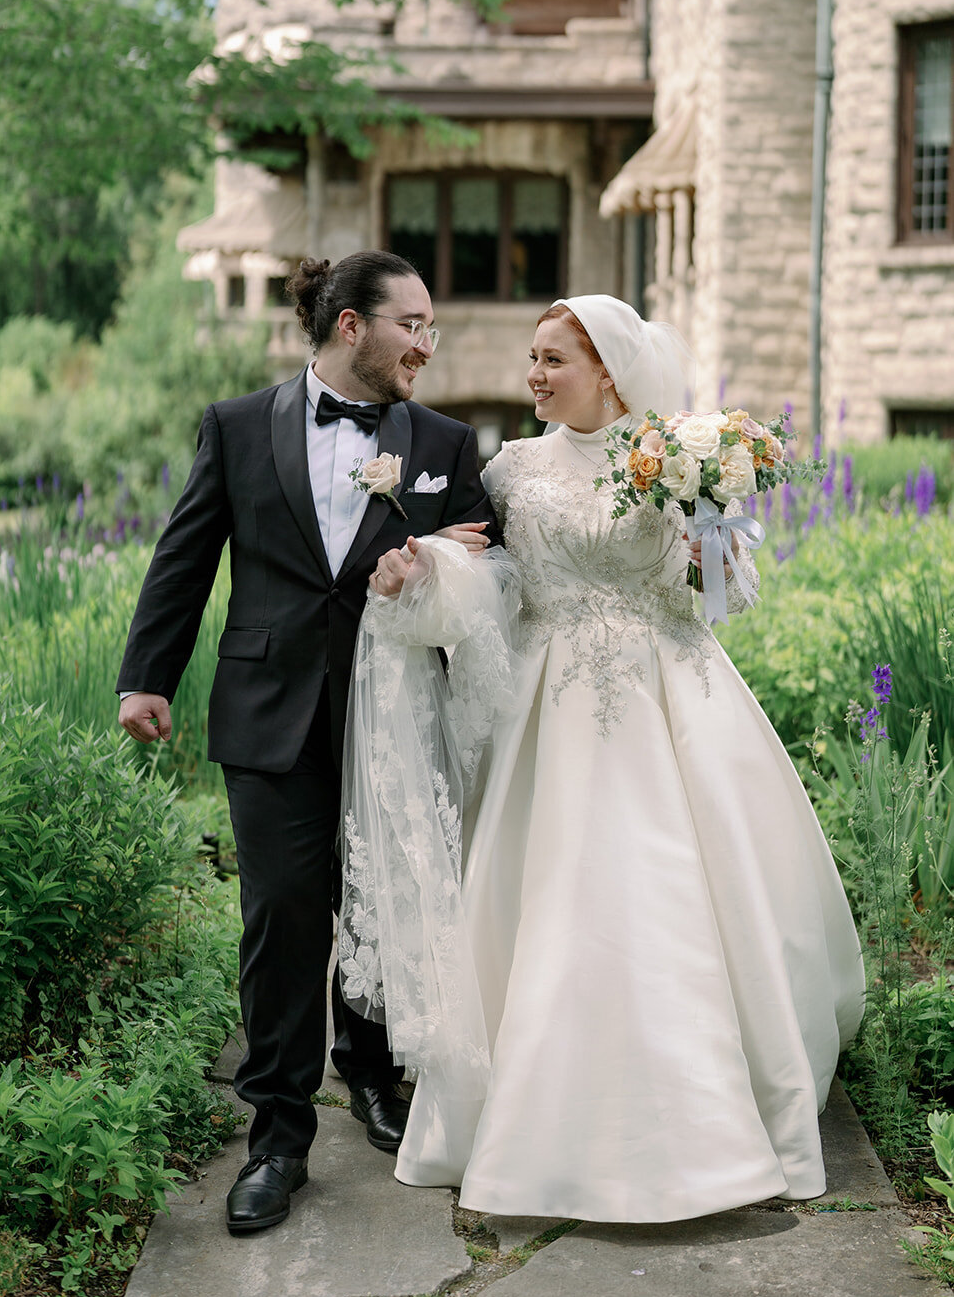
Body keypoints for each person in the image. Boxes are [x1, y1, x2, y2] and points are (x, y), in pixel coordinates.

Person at [342, 293, 865, 1225]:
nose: (534, 375)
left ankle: (704, 1120)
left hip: (667, 695)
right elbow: (491, 574)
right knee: (544, 900)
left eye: (553, 359)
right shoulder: (508, 469)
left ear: (609, 373)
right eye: (533, 358)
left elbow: (722, 592)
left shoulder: (678, 457)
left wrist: (707, 511)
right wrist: (425, 567)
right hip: (541, 706)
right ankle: (530, 1108)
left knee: (671, 898)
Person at [116, 250, 499, 1234]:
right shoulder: (239, 426)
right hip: (267, 702)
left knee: (381, 892)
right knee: (282, 912)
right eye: (410, 322)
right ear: (347, 327)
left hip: (392, 709)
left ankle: (369, 1076)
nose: (425, 342)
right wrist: (145, 675)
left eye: (429, 326)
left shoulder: (446, 441)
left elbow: (481, 556)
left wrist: (431, 564)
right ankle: (278, 1137)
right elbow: (186, 549)